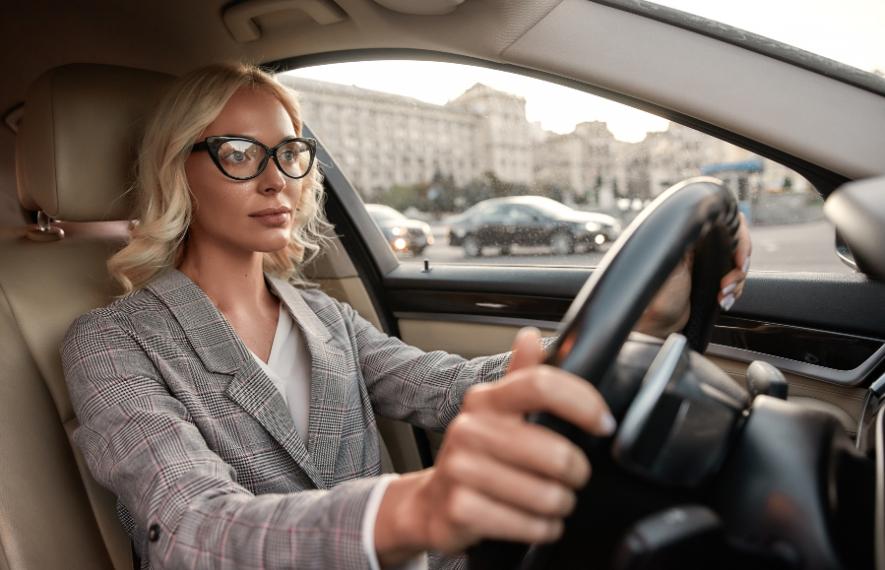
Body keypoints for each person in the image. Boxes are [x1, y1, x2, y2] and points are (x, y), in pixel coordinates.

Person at [61, 63, 750, 570]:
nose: (276, 178)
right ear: (177, 170)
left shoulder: (324, 316)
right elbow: (187, 528)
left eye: (289, 152)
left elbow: (447, 385)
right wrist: (415, 508)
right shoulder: (114, 341)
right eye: (238, 154)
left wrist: (643, 318)